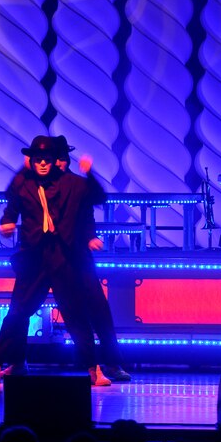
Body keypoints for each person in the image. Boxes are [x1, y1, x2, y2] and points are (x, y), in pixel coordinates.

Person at [0, 135, 107, 386]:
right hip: (34, 258)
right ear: (31, 161)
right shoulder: (22, 183)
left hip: (63, 257)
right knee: (17, 313)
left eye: (47, 160)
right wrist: (7, 222)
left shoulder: (72, 183)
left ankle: (94, 369)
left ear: (54, 161)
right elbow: (12, 203)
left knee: (75, 314)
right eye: (37, 160)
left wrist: (90, 173)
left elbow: (98, 197)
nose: (43, 164)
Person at [52, 135, 131, 382]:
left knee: (100, 312)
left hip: (80, 257)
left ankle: (113, 363)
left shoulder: (77, 184)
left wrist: (90, 173)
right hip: (54, 259)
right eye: (56, 159)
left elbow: (96, 200)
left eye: (63, 159)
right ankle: (90, 365)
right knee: (72, 315)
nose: (60, 164)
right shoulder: (39, 188)